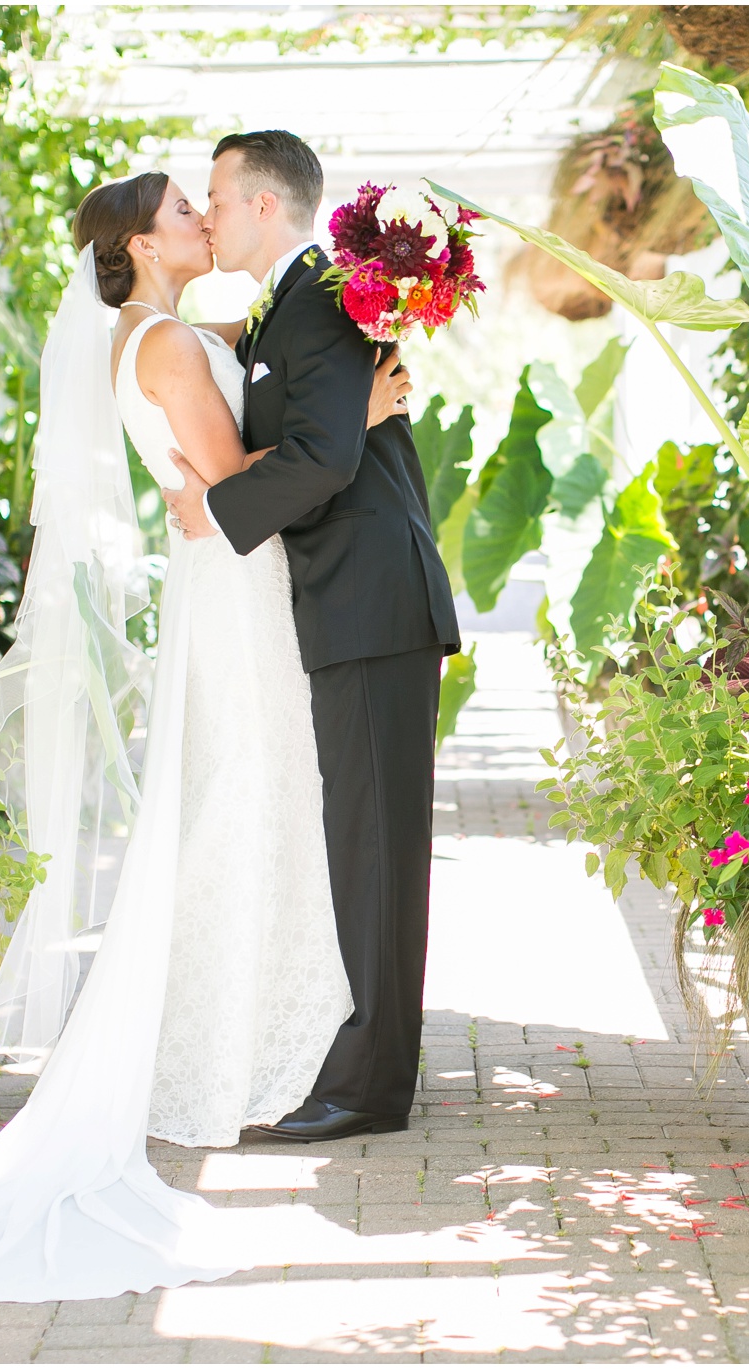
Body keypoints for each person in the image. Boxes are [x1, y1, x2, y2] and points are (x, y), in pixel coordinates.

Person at [0, 167, 416, 1300]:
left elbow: (255, 350)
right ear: (142, 248)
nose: (203, 216)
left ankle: (261, 1031)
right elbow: (240, 478)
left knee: (253, 793)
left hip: (222, 584)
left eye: (210, 205)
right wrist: (369, 414)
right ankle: (229, 1044)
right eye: (183, 214)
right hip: (237, 591)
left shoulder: (156, 334)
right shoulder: (166, 349)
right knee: (250, 792)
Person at [159, 130, 461, 1143]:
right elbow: (320, 426)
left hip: (371, 602)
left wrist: (216, 509)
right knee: (359, 841)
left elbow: (323, 457)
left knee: (376, 847)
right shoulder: (291, 307)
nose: (204, 214)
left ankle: (371, 1087)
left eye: (214, 195)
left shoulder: (325, 298)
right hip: (350, 602)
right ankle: (365, 1059)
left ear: (261, 205)